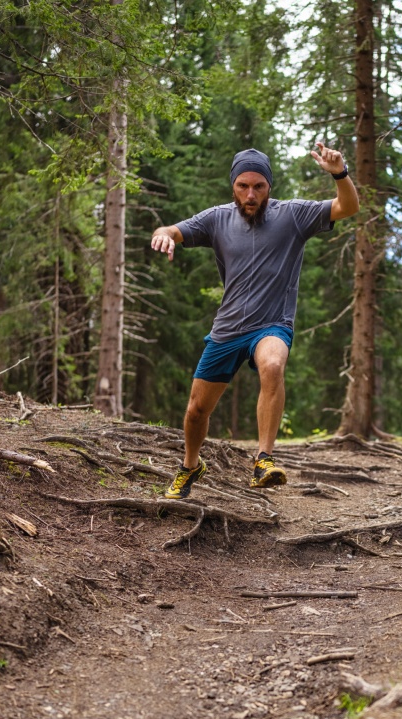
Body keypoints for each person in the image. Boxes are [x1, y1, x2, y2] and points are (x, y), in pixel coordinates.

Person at [151, 145, 360, 499]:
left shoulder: (293, 215)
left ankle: (264, 458)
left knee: (273, 363)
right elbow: (173, 229)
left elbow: (348, 207)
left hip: (273, 324)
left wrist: (339, 173)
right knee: (196, 411)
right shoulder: (217, 219)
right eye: (243, 186)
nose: (251, 194)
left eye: (259, 186)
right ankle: (190, 465)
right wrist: (164, 235)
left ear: (269, 186)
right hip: (228, 329)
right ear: (233, 186)